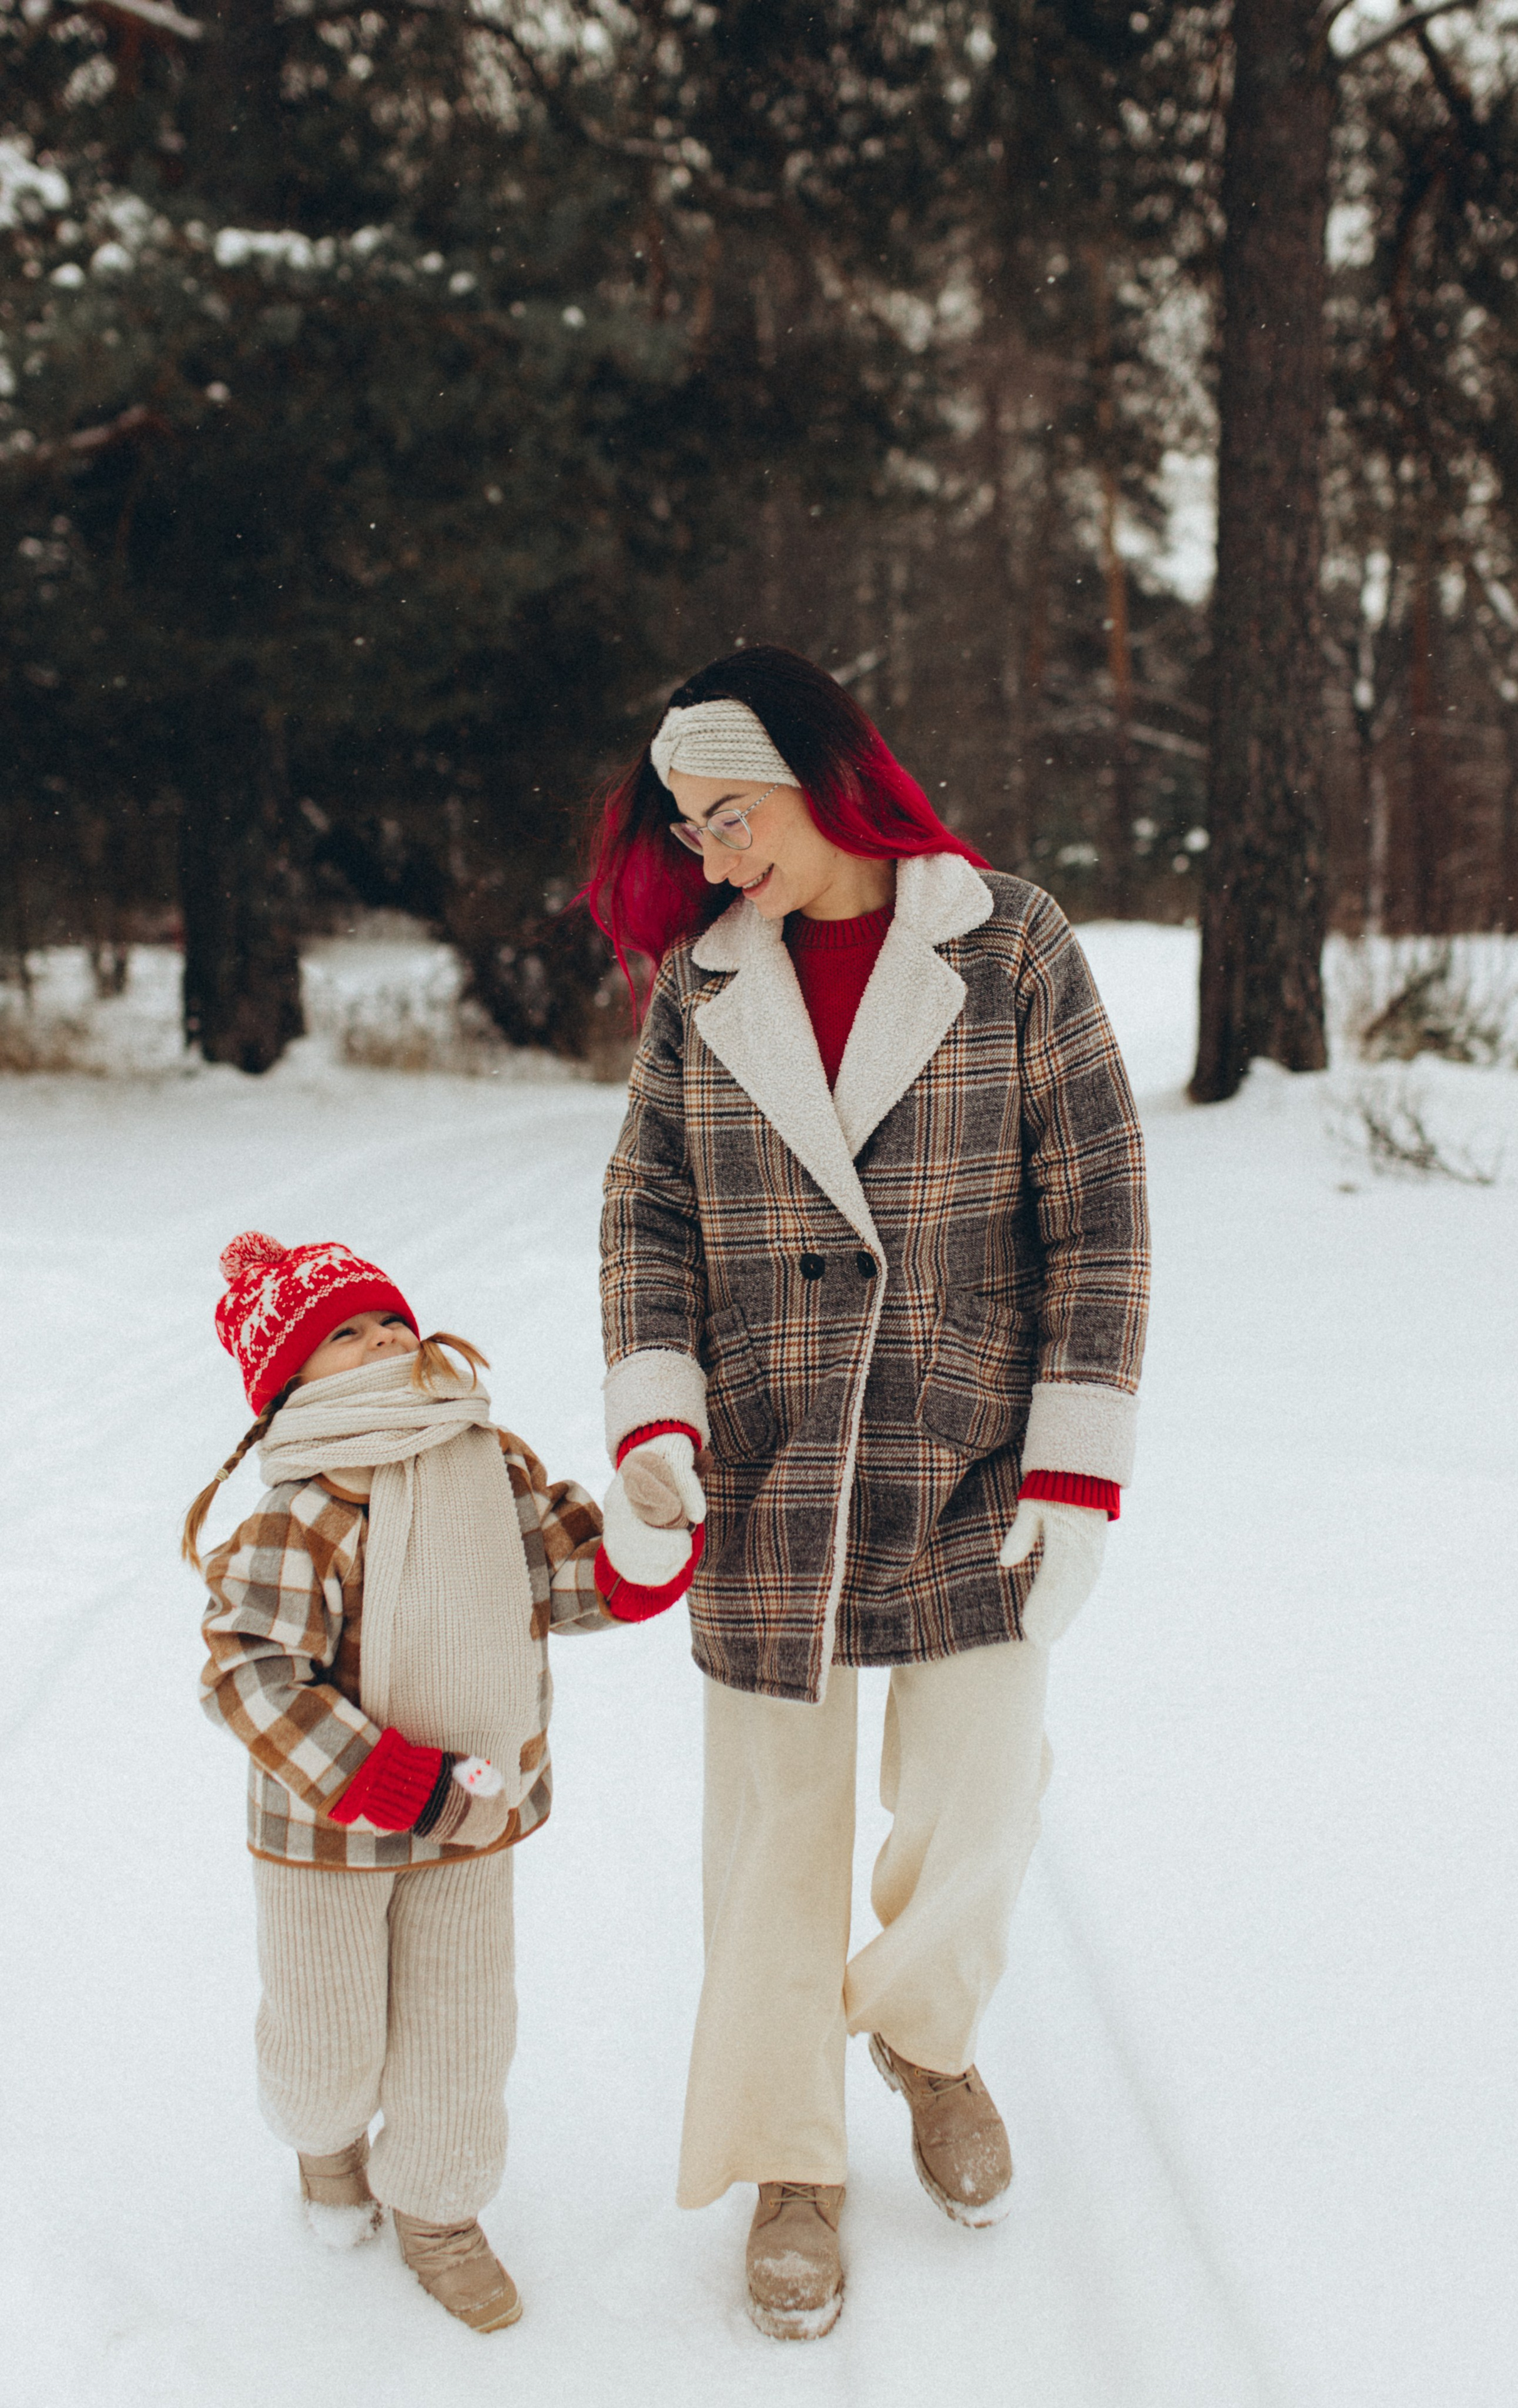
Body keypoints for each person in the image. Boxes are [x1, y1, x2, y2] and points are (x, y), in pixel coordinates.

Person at [588, 645, 1151, 2339]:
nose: (709, 854)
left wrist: (1077, 1458)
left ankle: (924, 2034)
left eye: (730, 815)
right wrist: (652, 1417)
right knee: (772, 1830)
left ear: (823, 779)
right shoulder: (704, 987)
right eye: (687, 828)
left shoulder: (1013, 941)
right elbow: (649, 1217)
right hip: (768, 1458)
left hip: (973, 1441)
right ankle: (790, 2153)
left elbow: (1101, 1207)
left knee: (981, 1786)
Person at [185, 1231, 697, 2331]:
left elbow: (562, 1575)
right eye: (340, 1336)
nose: (379, 1338)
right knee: (329, 2046)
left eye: (385, 1320)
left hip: (473, 1810)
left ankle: (439, 2212)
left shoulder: (486, 1461)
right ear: (286, 1383)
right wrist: (384, 1777)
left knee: (463, 2032)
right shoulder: (303, 1507)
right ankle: (327, 2149)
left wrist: (642, 1536)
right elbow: (248, 1672)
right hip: (329, 1829)